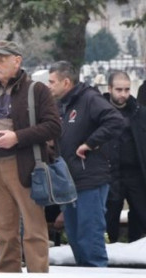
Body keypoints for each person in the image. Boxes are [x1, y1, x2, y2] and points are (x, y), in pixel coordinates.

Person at [0, 40, 61, 273]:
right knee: (4, 231)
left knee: (34, 229)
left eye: (1, 60)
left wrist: (17, 137)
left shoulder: (37, 90)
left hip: (26, 167)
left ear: (17, 61)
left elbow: (54, 126)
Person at [46, 61, 124, 267]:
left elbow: (115, 120)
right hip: (69, 180)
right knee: (74, 235)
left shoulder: (90, 98)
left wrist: (90, 143)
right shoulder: (60, 104)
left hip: (90, 179)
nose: (49, 86)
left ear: (66, 82)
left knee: (90, 233)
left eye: (52, 82)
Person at [103, 72, 146, 242]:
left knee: (141, 216)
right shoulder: (99, 111)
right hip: (109, 173)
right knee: (109, 219)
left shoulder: (139, 112)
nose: (123, 94)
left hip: (135, 172)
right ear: (109, 89)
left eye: (127, 89)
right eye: (119, 89)